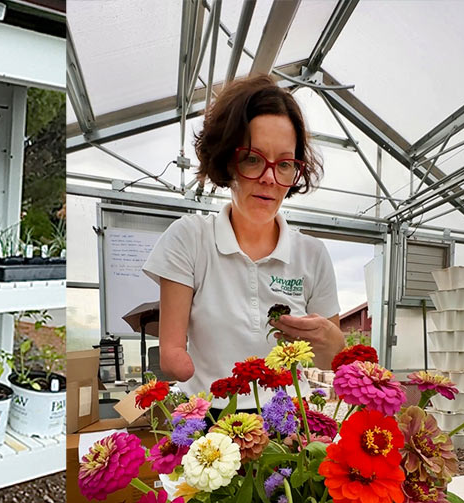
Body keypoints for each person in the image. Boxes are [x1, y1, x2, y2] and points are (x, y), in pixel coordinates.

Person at [143, 75, 346, 400]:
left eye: (284, 164)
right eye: (253, 159)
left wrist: (336, 345)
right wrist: (174, 358)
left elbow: (330, 361)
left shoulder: (312, 253)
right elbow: (173, 356)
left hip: (292, 429)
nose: (269, 178)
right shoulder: (189, 238)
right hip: (211, 429)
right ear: (226, 159)